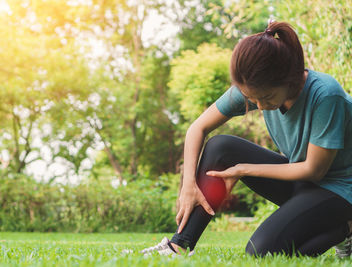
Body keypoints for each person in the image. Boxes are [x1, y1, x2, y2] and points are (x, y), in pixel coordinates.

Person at [140, 21, 352, 257]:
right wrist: (188, 183)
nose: (259, 106)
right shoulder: (253, 88)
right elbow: (197, 128)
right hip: (304, 182)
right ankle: (178, 246)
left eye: (267, 97)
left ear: (288, 78)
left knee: (261, 252)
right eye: (252, 99)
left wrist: (244, 169)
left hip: (340, 190)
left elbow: (314, 170)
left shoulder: (325, 95)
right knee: (221, 147)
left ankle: (342, 229)